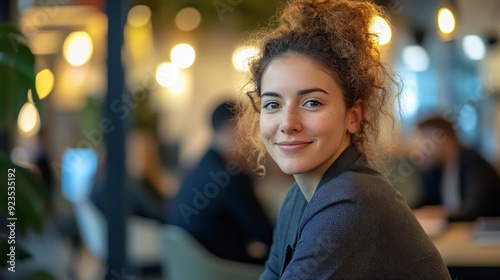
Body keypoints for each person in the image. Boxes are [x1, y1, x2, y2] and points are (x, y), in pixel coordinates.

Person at [236, 0, 451, 279]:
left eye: (312, 103)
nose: (288, 123)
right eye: (273, 105)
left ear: (354, 116)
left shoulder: (349, 203)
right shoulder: (298, 198)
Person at [169, 101, 274, 265]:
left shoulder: (200, 166)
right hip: (224, 269)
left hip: (194, 268)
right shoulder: (230, 178)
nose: (253, 141)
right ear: (233, 130)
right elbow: (268, 235)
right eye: (249, 131)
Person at [412, 115, 500, 222]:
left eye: (426, 143)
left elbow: (475, 209)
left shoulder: (474, 163)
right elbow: (422, 204)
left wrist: (439, 213)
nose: (420, 149)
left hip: (487, 235)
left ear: (447, 138)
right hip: (459, 234)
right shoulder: (435, 170)